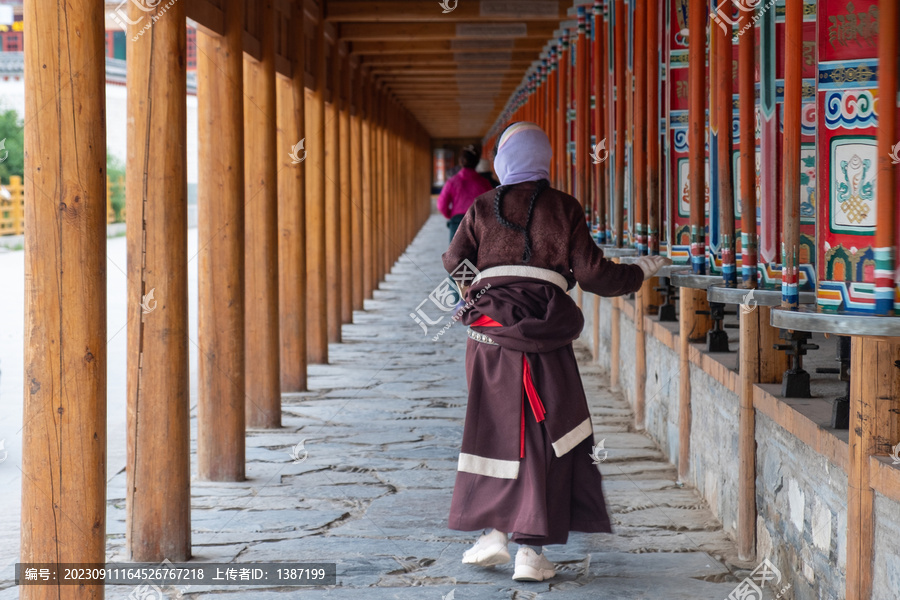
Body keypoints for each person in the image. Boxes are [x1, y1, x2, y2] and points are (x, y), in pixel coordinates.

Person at [442, 122, 670, 582]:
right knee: (548, 431)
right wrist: (637, 272)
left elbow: (454, 261)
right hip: (544, 333)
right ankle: (530, 549)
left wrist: (478, 291)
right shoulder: (563, 207)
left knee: (493, 428)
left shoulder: (483, 205)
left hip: (490, 337)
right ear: (544, 160)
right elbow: (591, 273)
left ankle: (494, 533)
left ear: (504, 162)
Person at [437, 145, 494, 243]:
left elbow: (441, 205)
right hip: (478, 221)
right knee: (479, 255)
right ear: (477, 162)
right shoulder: (484, 183)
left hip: (457, 221)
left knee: (455, 256)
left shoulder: (452, 182)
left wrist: (451, 214)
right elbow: (491, 204)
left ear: (460, 161)